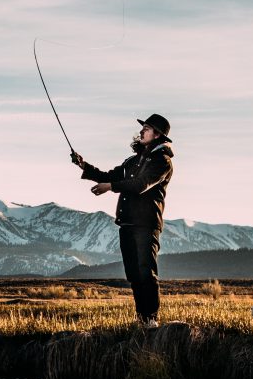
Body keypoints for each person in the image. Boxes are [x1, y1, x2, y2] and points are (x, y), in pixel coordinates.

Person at [71, 114, 175, 329]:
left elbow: (140, 184)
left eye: (146, 128)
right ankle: (142, 319)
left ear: (157, 134)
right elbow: (110, 175)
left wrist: (110, 187)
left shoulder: (162, 161)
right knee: (134, 274)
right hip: (127, 223)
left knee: (146, 272)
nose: (141, 132)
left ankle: (151, 319)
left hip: (146, 224)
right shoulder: (133, 160)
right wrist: (83, 166)